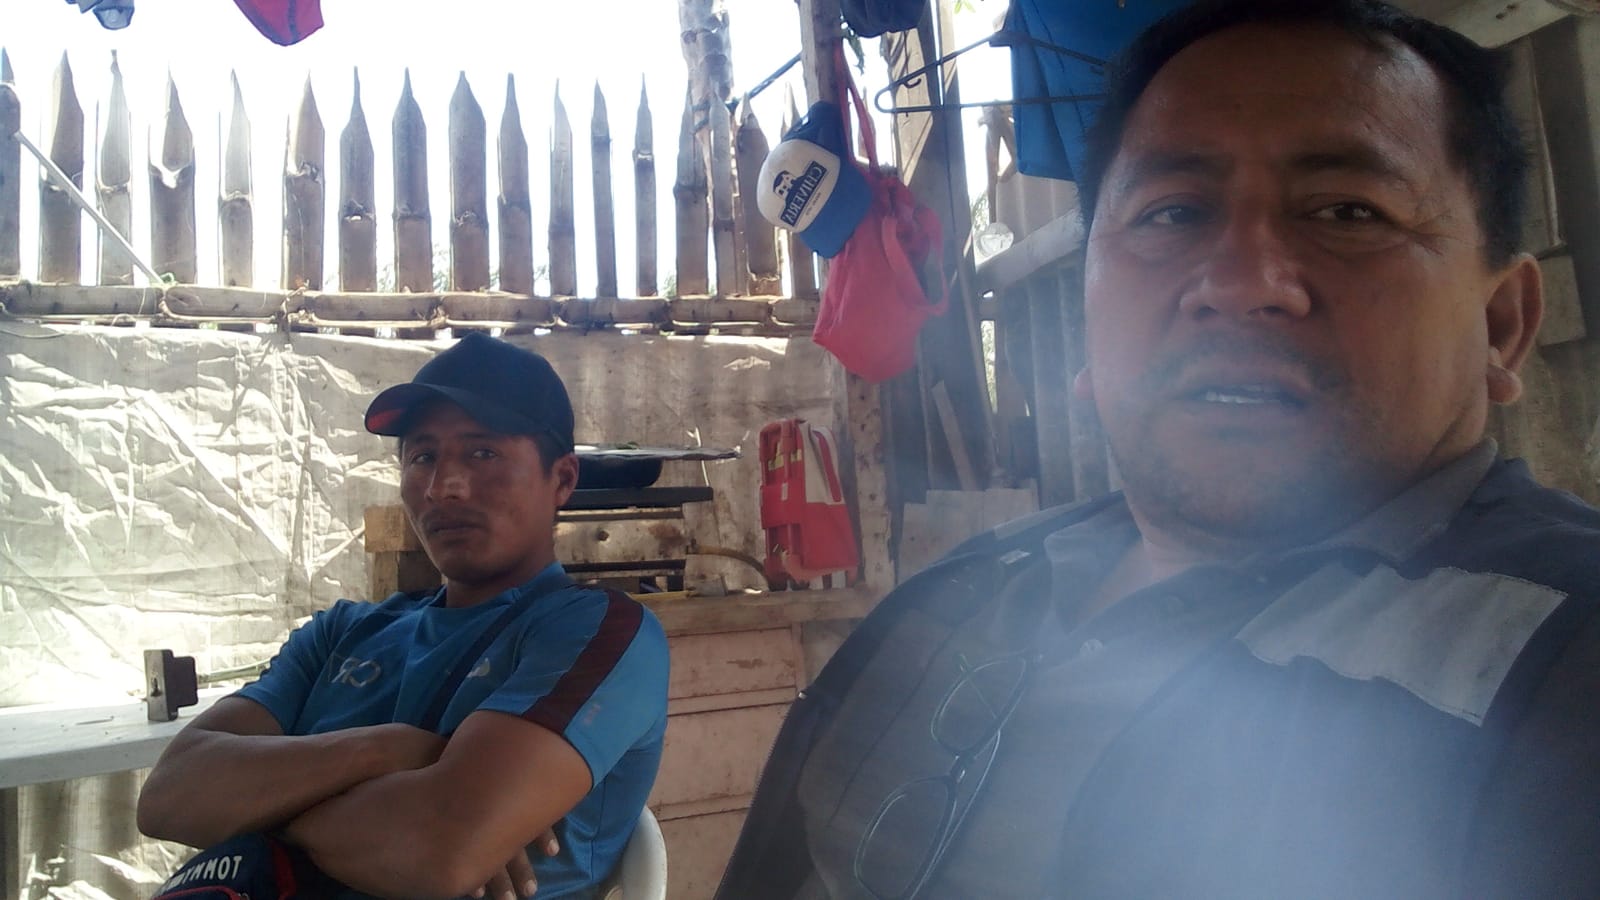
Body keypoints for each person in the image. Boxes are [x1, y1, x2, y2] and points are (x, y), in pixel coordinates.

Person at [716, 0, 1600, 897]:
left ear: (1501, 323)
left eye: (1347, 211)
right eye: (1173, 214)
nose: (1239, 283)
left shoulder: (1565, 658)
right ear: (1089, 326)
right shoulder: (948, 600)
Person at [138, 333, 670, 900]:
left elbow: (440, 851)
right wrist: (386, 749)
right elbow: (169, 794)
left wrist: (258, 813)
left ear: (562, 479)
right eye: (422, 457)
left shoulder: (595, 632)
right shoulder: (341, 633)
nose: (444, 487)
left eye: (483, 453)